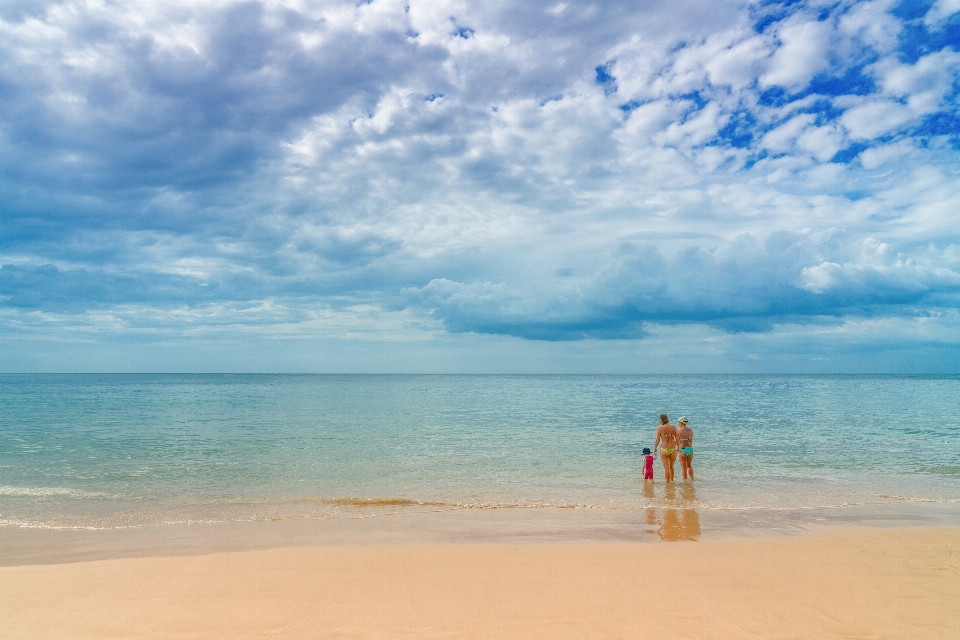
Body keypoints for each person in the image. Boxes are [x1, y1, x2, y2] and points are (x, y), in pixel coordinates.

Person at [654, 413, 679, 482]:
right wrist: (679, 447)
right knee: (671, 467)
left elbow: (658, 440)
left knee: (666, 468)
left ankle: (668, 484)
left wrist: (655, 448)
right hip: (673, 448)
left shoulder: (660, 428)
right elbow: (677, 439)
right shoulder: (673, 427)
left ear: (661, 420)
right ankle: (672, 481)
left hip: (664, 449)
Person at [677, 416, 694, 480]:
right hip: (689, 449)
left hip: (682, 449)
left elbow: (676, 441)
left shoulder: (678, 431)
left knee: (683, 468)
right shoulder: (690, 430)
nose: (678, 424)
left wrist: (677, 449)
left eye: (678, 423)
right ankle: (692, 479)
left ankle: (685, 482)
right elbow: (691, 440)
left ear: (681, 422)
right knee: (689, 466)